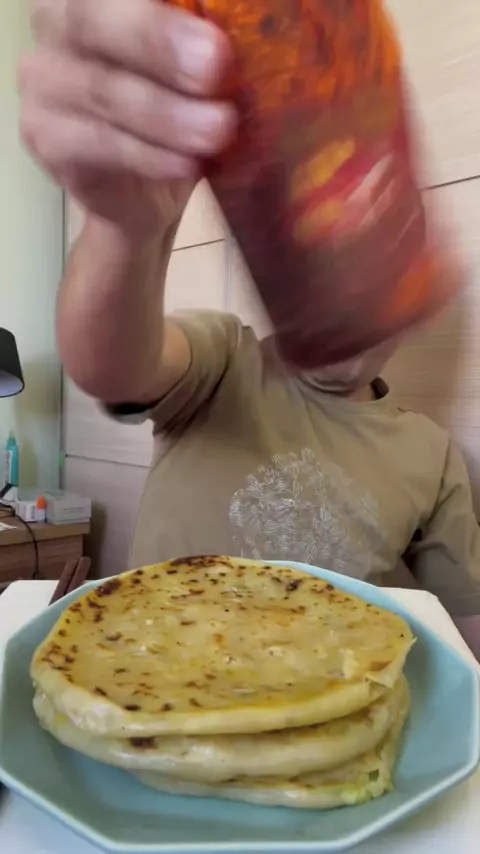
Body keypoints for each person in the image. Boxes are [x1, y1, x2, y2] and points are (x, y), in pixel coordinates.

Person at [19, 0, 480, 656]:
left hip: (314, 702)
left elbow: (466, 639)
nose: (340, 281)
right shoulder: (228, 359)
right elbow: (109, 365)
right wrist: (127, 229)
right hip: (144, 677)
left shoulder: (432, 456)